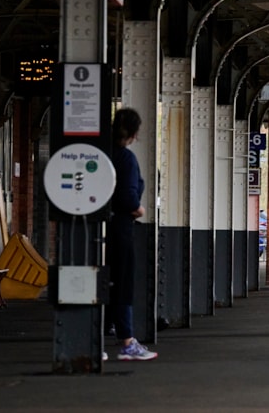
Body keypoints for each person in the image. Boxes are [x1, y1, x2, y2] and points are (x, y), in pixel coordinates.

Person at [107, 107, 157, 361]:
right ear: (134, 134)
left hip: (95, 227)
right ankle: (127, 341)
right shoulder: (126, 158)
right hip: (121, 228)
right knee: (122, 282)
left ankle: (96, 336)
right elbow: (127, 196)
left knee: (100, 280)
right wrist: (138, 208)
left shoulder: (102, 153)